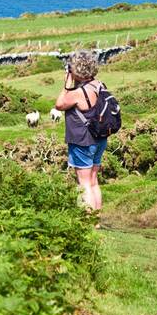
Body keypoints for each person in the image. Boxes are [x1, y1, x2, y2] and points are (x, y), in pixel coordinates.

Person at [55, 49, 108, 219]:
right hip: (99, 138)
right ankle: (97, 220)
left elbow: (59, 104)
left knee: (84, 183)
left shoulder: (79, 93)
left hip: (82, 141)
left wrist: (67, 83)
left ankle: (88, 222)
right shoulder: (99, 85)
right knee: (93, 181)